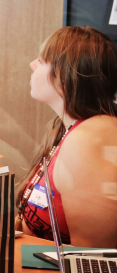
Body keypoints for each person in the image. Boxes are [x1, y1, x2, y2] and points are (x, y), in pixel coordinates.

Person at [18, 26, 117, 248]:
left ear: (64, 76)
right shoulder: (69, 127)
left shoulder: (90, 138)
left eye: (42, 61)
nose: (32, 65)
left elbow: (92, 258)